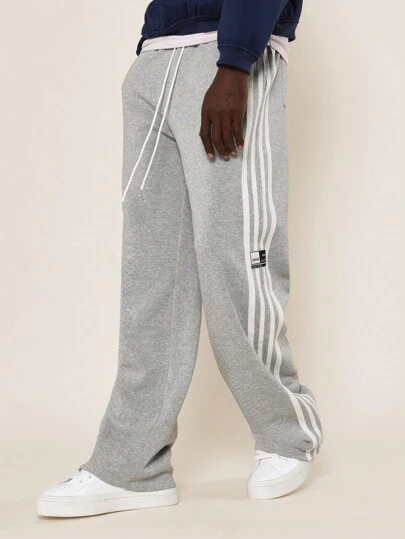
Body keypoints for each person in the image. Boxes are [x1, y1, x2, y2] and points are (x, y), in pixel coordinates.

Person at [36, 0, 322, 518]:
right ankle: (133, 466)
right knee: (152, 278)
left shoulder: (233, 60)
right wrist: (150, 56)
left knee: (235, 258)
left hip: (225, 59)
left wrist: (235, 61)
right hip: (154, 62)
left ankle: (287, 434)